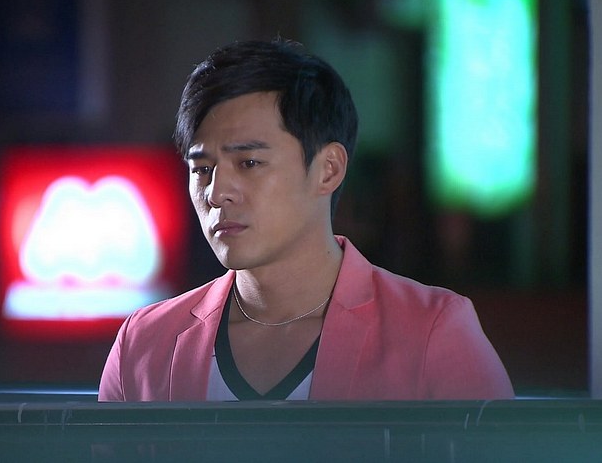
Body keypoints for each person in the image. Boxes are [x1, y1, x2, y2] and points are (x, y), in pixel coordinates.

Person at [98, 39, 513, 401]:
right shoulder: (144, 345)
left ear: (328, 169)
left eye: (249, 162)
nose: (216, 192)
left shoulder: (432, 333)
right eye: (202, 169)